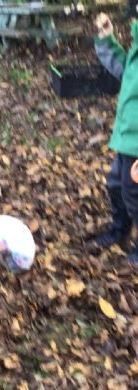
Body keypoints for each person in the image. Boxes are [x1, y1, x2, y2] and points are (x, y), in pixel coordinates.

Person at [93, 13, 138, 265]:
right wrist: (107, 40)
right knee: (117, 184)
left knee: (135, 193)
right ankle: (120, 230)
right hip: (127, 137)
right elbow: (126, 72)